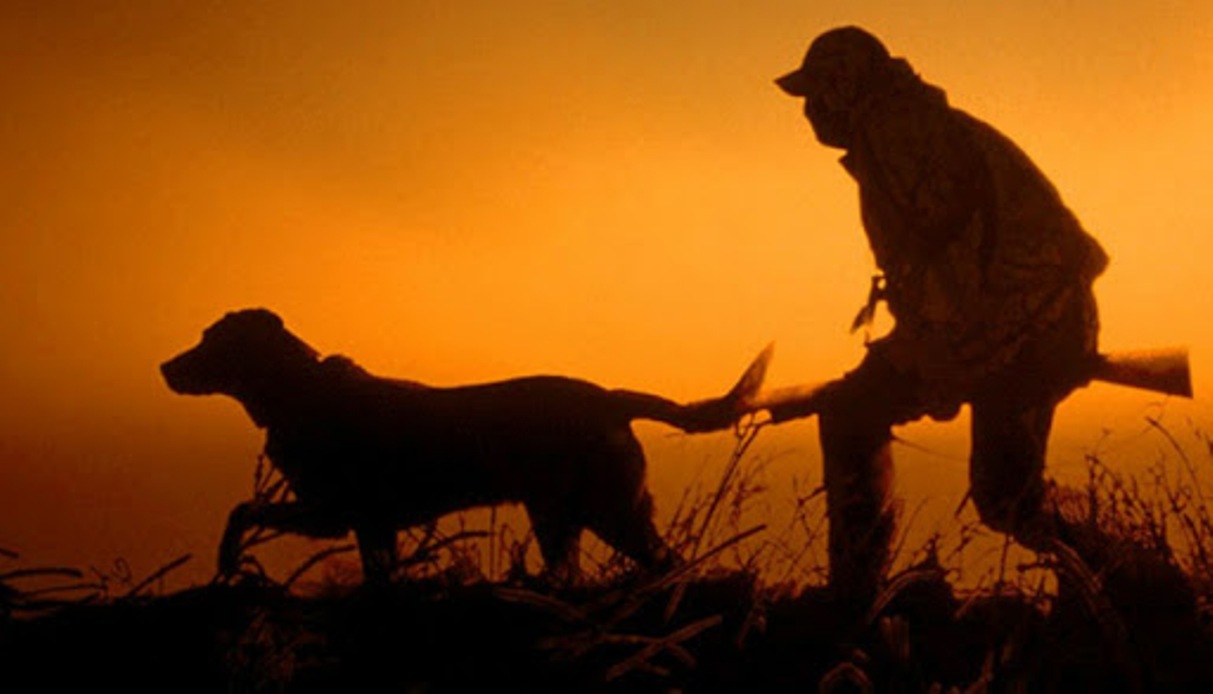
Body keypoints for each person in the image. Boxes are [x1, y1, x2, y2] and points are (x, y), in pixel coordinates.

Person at [772, 26, 1108, 605]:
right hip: (1024, 324)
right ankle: (1121, 578)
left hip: (1026, 330)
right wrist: (919, 347)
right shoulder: (905, 129)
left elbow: (956, 260)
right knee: (1005, 497)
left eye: (817, 94)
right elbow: (941, 266)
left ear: (846, 86)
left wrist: (939, 359)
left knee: (998, 494)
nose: (810, 112)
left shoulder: (902, 136)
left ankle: (856, 597)